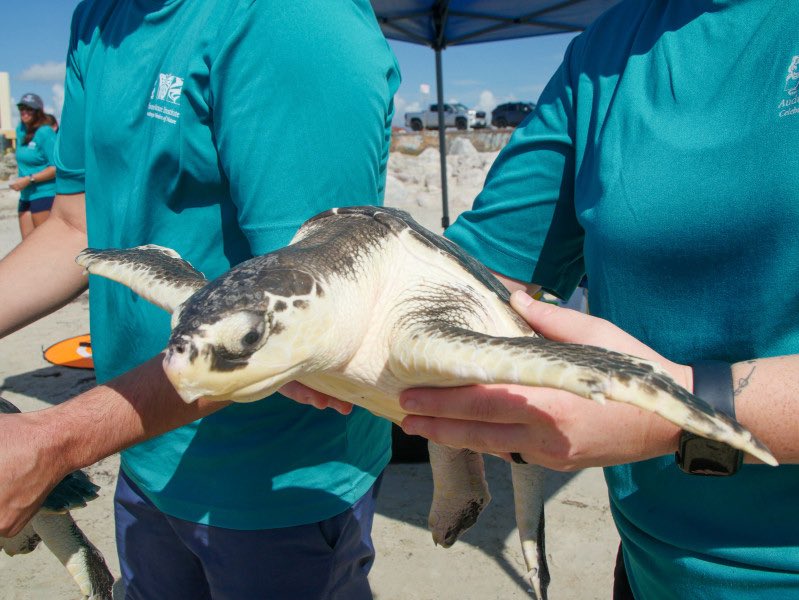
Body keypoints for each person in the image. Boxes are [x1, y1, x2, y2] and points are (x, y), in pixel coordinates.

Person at [287, 2, 799, 598]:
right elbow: (484, 267)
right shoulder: (610, 48)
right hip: (650, 563)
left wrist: (676, 412)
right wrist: (351, 320)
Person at [0, 1, 399, 598]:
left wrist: (55, 440)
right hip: (140, 441)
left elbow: (311, 321)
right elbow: (75, 224)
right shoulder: (101, 17)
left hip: (272, 482)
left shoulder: (290, 19)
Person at [10, 93, 57, 239]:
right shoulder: (20, 130)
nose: (24, 112)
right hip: (25, 195)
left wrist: (29, 179)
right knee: (27, 245)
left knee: (44, 243)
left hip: (44, 193)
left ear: (38, 111)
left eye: (29, 109)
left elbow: (56, 168)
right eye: (21, 108)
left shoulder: (45, 132)